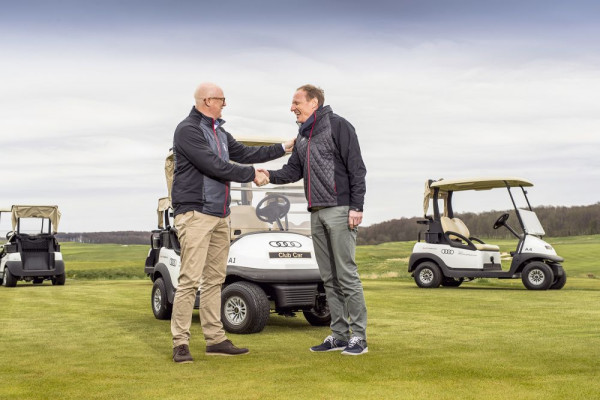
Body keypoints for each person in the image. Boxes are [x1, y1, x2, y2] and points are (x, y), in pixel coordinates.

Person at [170, 82, 294, 363]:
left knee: (215, 280)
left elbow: (246, 153)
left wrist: (284, 147)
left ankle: (215, 339)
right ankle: (180, 342)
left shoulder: (220, 132)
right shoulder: (188, 130)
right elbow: (213, 165)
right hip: (195, 213)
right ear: (207, 100)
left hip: (220, 214)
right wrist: (253, 175)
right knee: (190, 279)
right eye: (222, 99)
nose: (225, 104)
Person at [260, 84, 368, 355]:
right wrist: (267, 176)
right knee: (329, 278)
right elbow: (292, 171)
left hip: (341, 209)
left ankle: (360, 338)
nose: (292, 108)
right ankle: (339, 335)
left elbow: (356, 168)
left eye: (297, 102)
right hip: (316, 213)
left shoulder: (339, 126)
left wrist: (357, 206)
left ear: (314, 103)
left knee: (346, 275)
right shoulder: (303, 136)